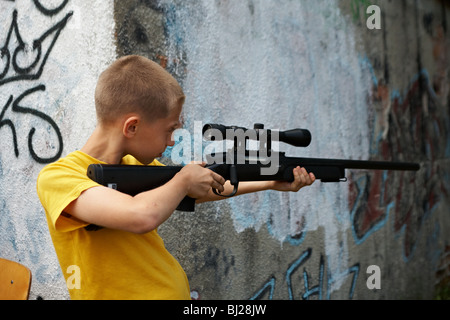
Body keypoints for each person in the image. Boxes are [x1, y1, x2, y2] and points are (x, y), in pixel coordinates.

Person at [36, 55, 315, 300]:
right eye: (168, 130)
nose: (171, 142)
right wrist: (182, 180)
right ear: (132, 127)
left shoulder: (133, 165)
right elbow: (140, 216)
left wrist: (272, 183)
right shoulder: (59, 177)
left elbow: (200, 190)